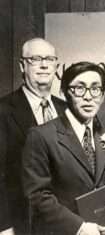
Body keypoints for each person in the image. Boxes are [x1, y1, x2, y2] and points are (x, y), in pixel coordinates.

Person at [22, 62, 105, 235]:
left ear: (102, 95)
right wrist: (80, 227)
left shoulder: (104, 135)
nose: (88, 97)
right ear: (64, 92)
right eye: (79, 88)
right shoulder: (41, 136)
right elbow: (37, 195)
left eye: (95, 89)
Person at [0, 38, 66, 235]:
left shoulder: (66, 109)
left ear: (56, 66)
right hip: (22, 223)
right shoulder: (3, 111)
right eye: (36, 59)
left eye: (49, 59)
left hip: (67, 222)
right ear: (22, 65)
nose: (44, 65)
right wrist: (4, 226)